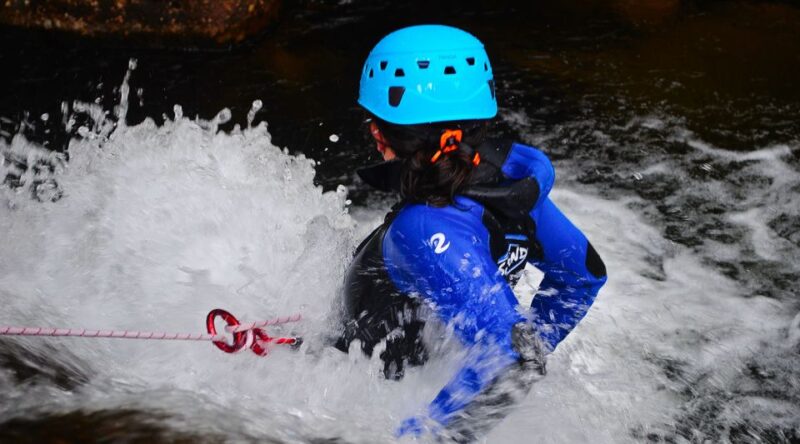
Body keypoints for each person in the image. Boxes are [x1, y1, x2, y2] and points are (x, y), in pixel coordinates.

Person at [334, 25, 607, 442]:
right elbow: (583, 276)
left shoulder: (420, 228)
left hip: (364, 378)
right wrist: (524, 335)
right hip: (422, 362)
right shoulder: (509, 189)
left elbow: (514, 359)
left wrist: (421, 437)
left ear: (378, 134)